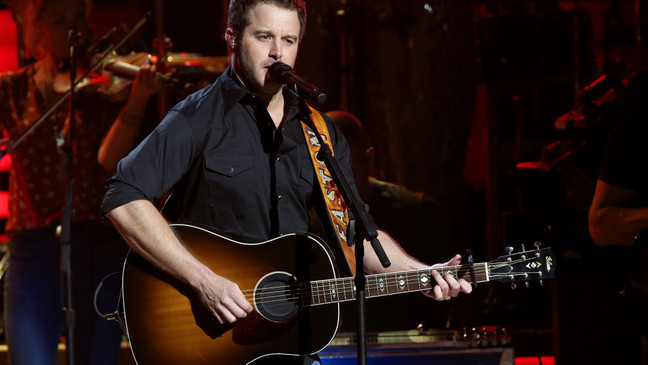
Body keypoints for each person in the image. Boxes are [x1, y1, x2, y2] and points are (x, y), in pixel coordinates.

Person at [101, 0, 472, 363]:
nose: (277, 52)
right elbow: (123, 195)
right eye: (264, 37)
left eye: (289, 41)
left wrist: (421, 274)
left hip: (286, 339)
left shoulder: (318, 131)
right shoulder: (198, 117)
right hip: (203, 334)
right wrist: (203, 281)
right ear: (232, 38)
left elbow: (354, 235)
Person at [0, 0, 161, 364]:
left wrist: (135, 101)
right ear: (38, 30)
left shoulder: (107, 87)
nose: (75, 30)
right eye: (61, 21)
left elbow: (109, 160)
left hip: (96, 241)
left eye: (79, 19)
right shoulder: (12, 88)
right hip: (32, 245)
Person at [326, 110, 458, 331]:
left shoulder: (420, 211)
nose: (338, 176)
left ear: (369, 159)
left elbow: (367, 247)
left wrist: (424, 274)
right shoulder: (303, 210)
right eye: (329, 169)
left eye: (347, 165)